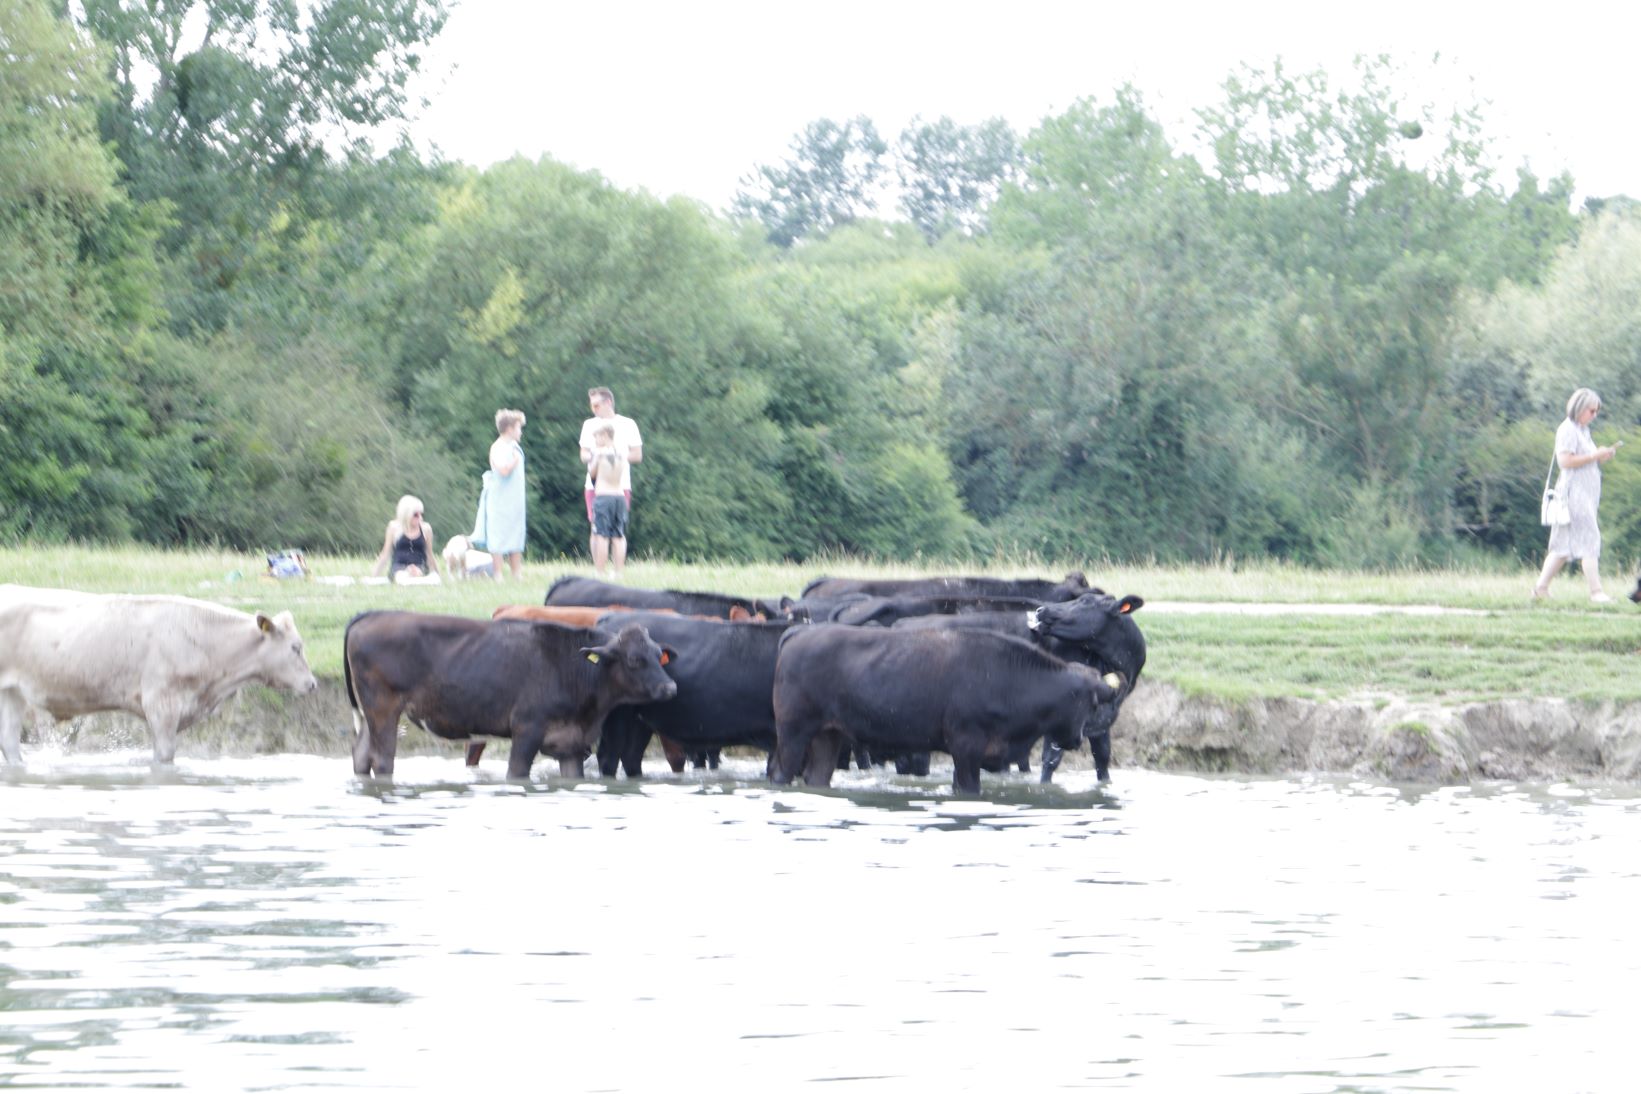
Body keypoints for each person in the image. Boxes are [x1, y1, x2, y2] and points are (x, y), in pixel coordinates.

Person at [1533, 388, 1618, 604]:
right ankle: (1596, 591)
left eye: (1596, 411)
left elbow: (1586, 459)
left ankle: (1540, 589)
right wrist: (1594, 455)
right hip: (1574, 493)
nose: (1594, 415)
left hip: (1586, 493)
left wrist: (1601, 456)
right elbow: (1565, 461)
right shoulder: (1568, 429)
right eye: (1591, 410)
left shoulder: (1582, 430)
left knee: (1562, 544)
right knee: (1590, 538)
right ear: (1580, 408)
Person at [578, 386, 642, 572]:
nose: (594, 409)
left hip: (621, 485)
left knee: (617, 530)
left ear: (608, 402)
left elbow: (637, 455)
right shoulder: (589, 425)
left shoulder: (627, 424)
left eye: (597, 405)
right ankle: (599, 568)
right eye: (592, 405)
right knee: (596, 527)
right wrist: (595, 456)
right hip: (594, 486)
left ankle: (616, 569)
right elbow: (583, 454)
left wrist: (612, 457)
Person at [482, 408, 528, 581]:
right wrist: (515, 459)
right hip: (500, 500)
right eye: (518, 428)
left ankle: (517, 573)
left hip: (515, 500)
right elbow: (503, 470)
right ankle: (498, 574)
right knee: (498, 535)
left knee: (516, 533)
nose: (520, 431)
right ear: (509, 428)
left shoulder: (515, 447)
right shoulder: (498, 447)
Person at [587, 423, 629, 578]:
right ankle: (618, 572)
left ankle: (599, 571)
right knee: (619, 535)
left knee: (602, 536)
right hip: (619, 497)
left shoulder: (599, 454)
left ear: (605, 435)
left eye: (597, 436)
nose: (595, 440)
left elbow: (592, 473)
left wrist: (592, 460)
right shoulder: (621, 453)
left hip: (604, 497)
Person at [371, 495, 442, 584]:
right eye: (416, 515)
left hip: (420, 567)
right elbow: (385, 554)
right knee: (401, 576)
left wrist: (438, 574)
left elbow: (429, 554)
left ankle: (415, 580)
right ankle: (413, 581)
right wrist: (373, 577)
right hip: (398, 568)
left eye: (421, 514)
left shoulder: (426, 529)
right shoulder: (394, 528)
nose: (420, 517)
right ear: (406, 514)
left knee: (425, 575)